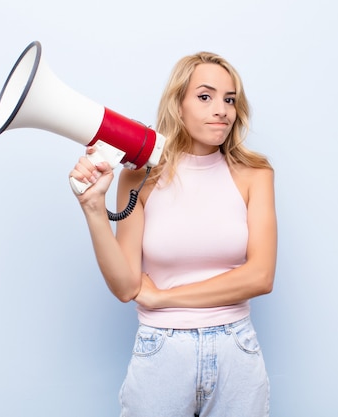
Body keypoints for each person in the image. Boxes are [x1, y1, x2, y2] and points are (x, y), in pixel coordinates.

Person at [70, 51, 277, 417]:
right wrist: (93, 208)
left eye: (230, 100)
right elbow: (125, 287)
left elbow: (260, 277)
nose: (222, 110)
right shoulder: (139, 177)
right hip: (161, 351)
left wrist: (165, 298)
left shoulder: (255, 175)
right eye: (205, 96)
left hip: (236, 351)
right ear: (178, 106)